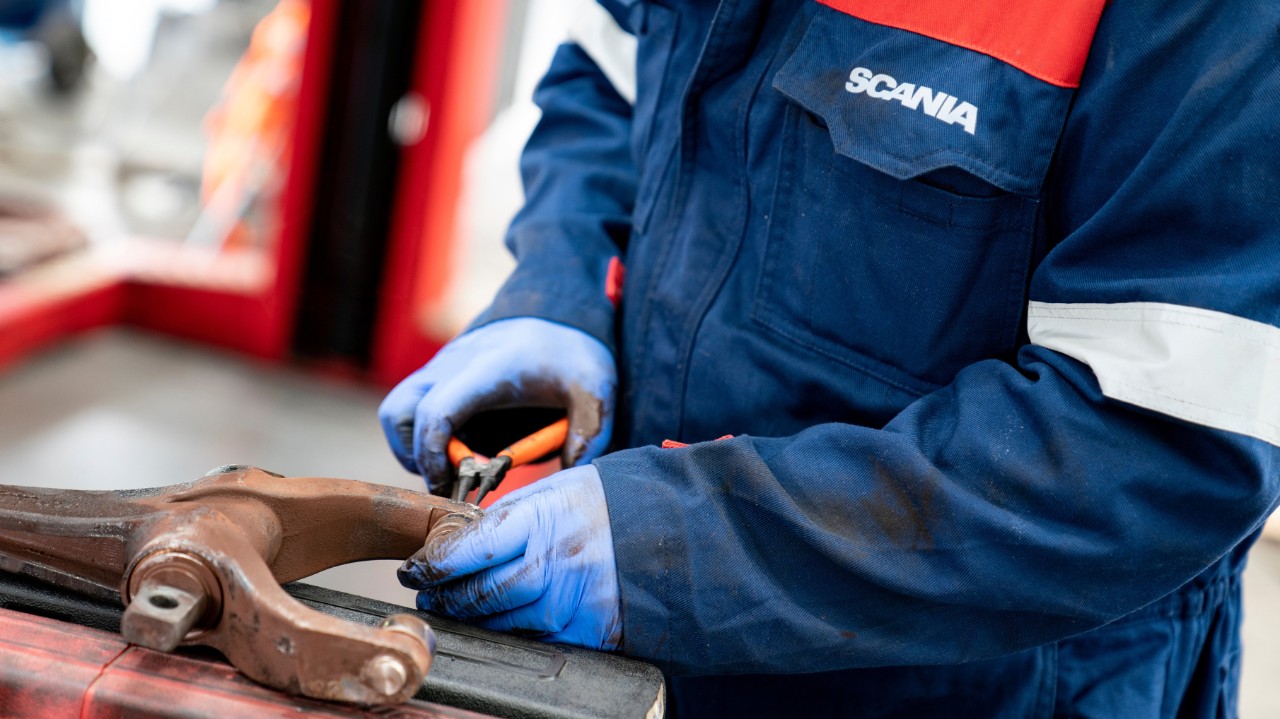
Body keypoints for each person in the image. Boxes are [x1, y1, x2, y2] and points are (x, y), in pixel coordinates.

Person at [380, 0, 1280, 715]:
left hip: (983, 686)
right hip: (634, 651)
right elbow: (610, 75)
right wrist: (561, 294)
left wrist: (672, 550)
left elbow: (1153, 447)